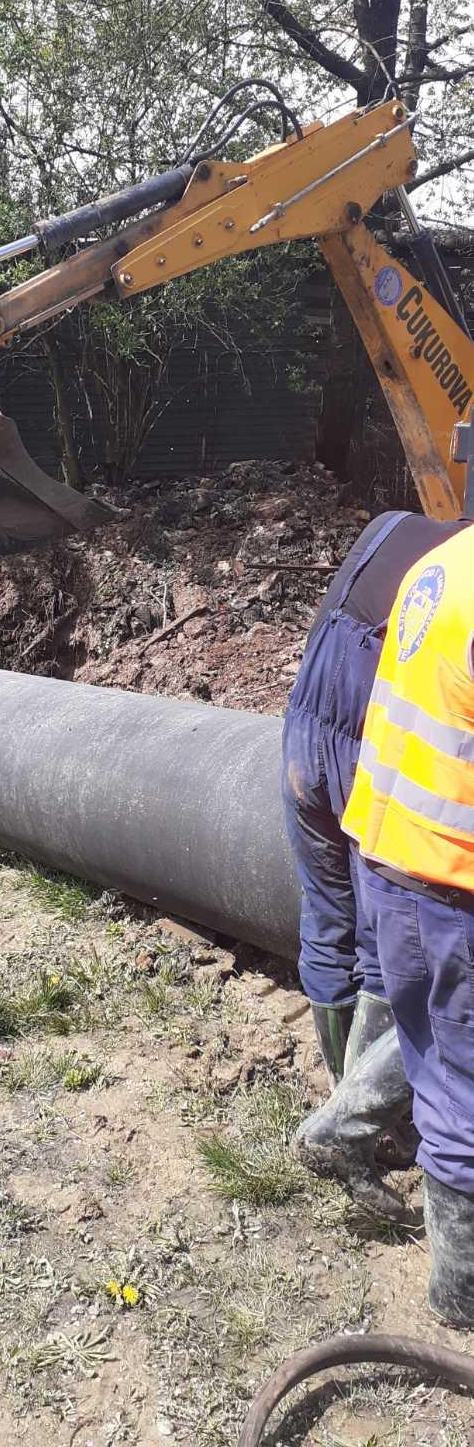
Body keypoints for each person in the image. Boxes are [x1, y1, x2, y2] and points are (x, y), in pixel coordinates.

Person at [295, 520, 474, 1328]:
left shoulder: (442, 563)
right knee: (465, 1088)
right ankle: (460, 1295)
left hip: (391, 846)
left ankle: (339, 1128)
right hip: (445, 873)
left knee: (432, 1029)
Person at [282, 508, 463, 1086]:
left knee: (326, 920)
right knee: (384, 945)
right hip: (369, 757)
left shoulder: (386, 529)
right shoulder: (459, 569)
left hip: (300, 737)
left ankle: (339, 1085)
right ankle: (357, 1116)